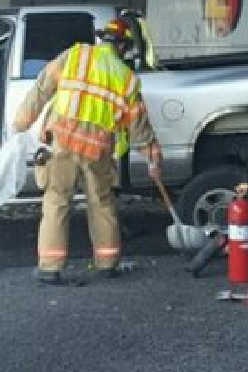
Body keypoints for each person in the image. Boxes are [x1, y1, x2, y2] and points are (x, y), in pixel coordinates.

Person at [12, 17, 162, 284]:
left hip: (62, 144)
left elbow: (41, 88)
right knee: (101, 204)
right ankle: (107, 263)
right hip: (97, 151)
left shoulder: (74, 56)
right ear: (124, 47)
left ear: (102, 39)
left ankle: (50, 267)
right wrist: (153, 156)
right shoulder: (126, 79)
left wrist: (21, 123)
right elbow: (138, 126)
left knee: (57, 201)